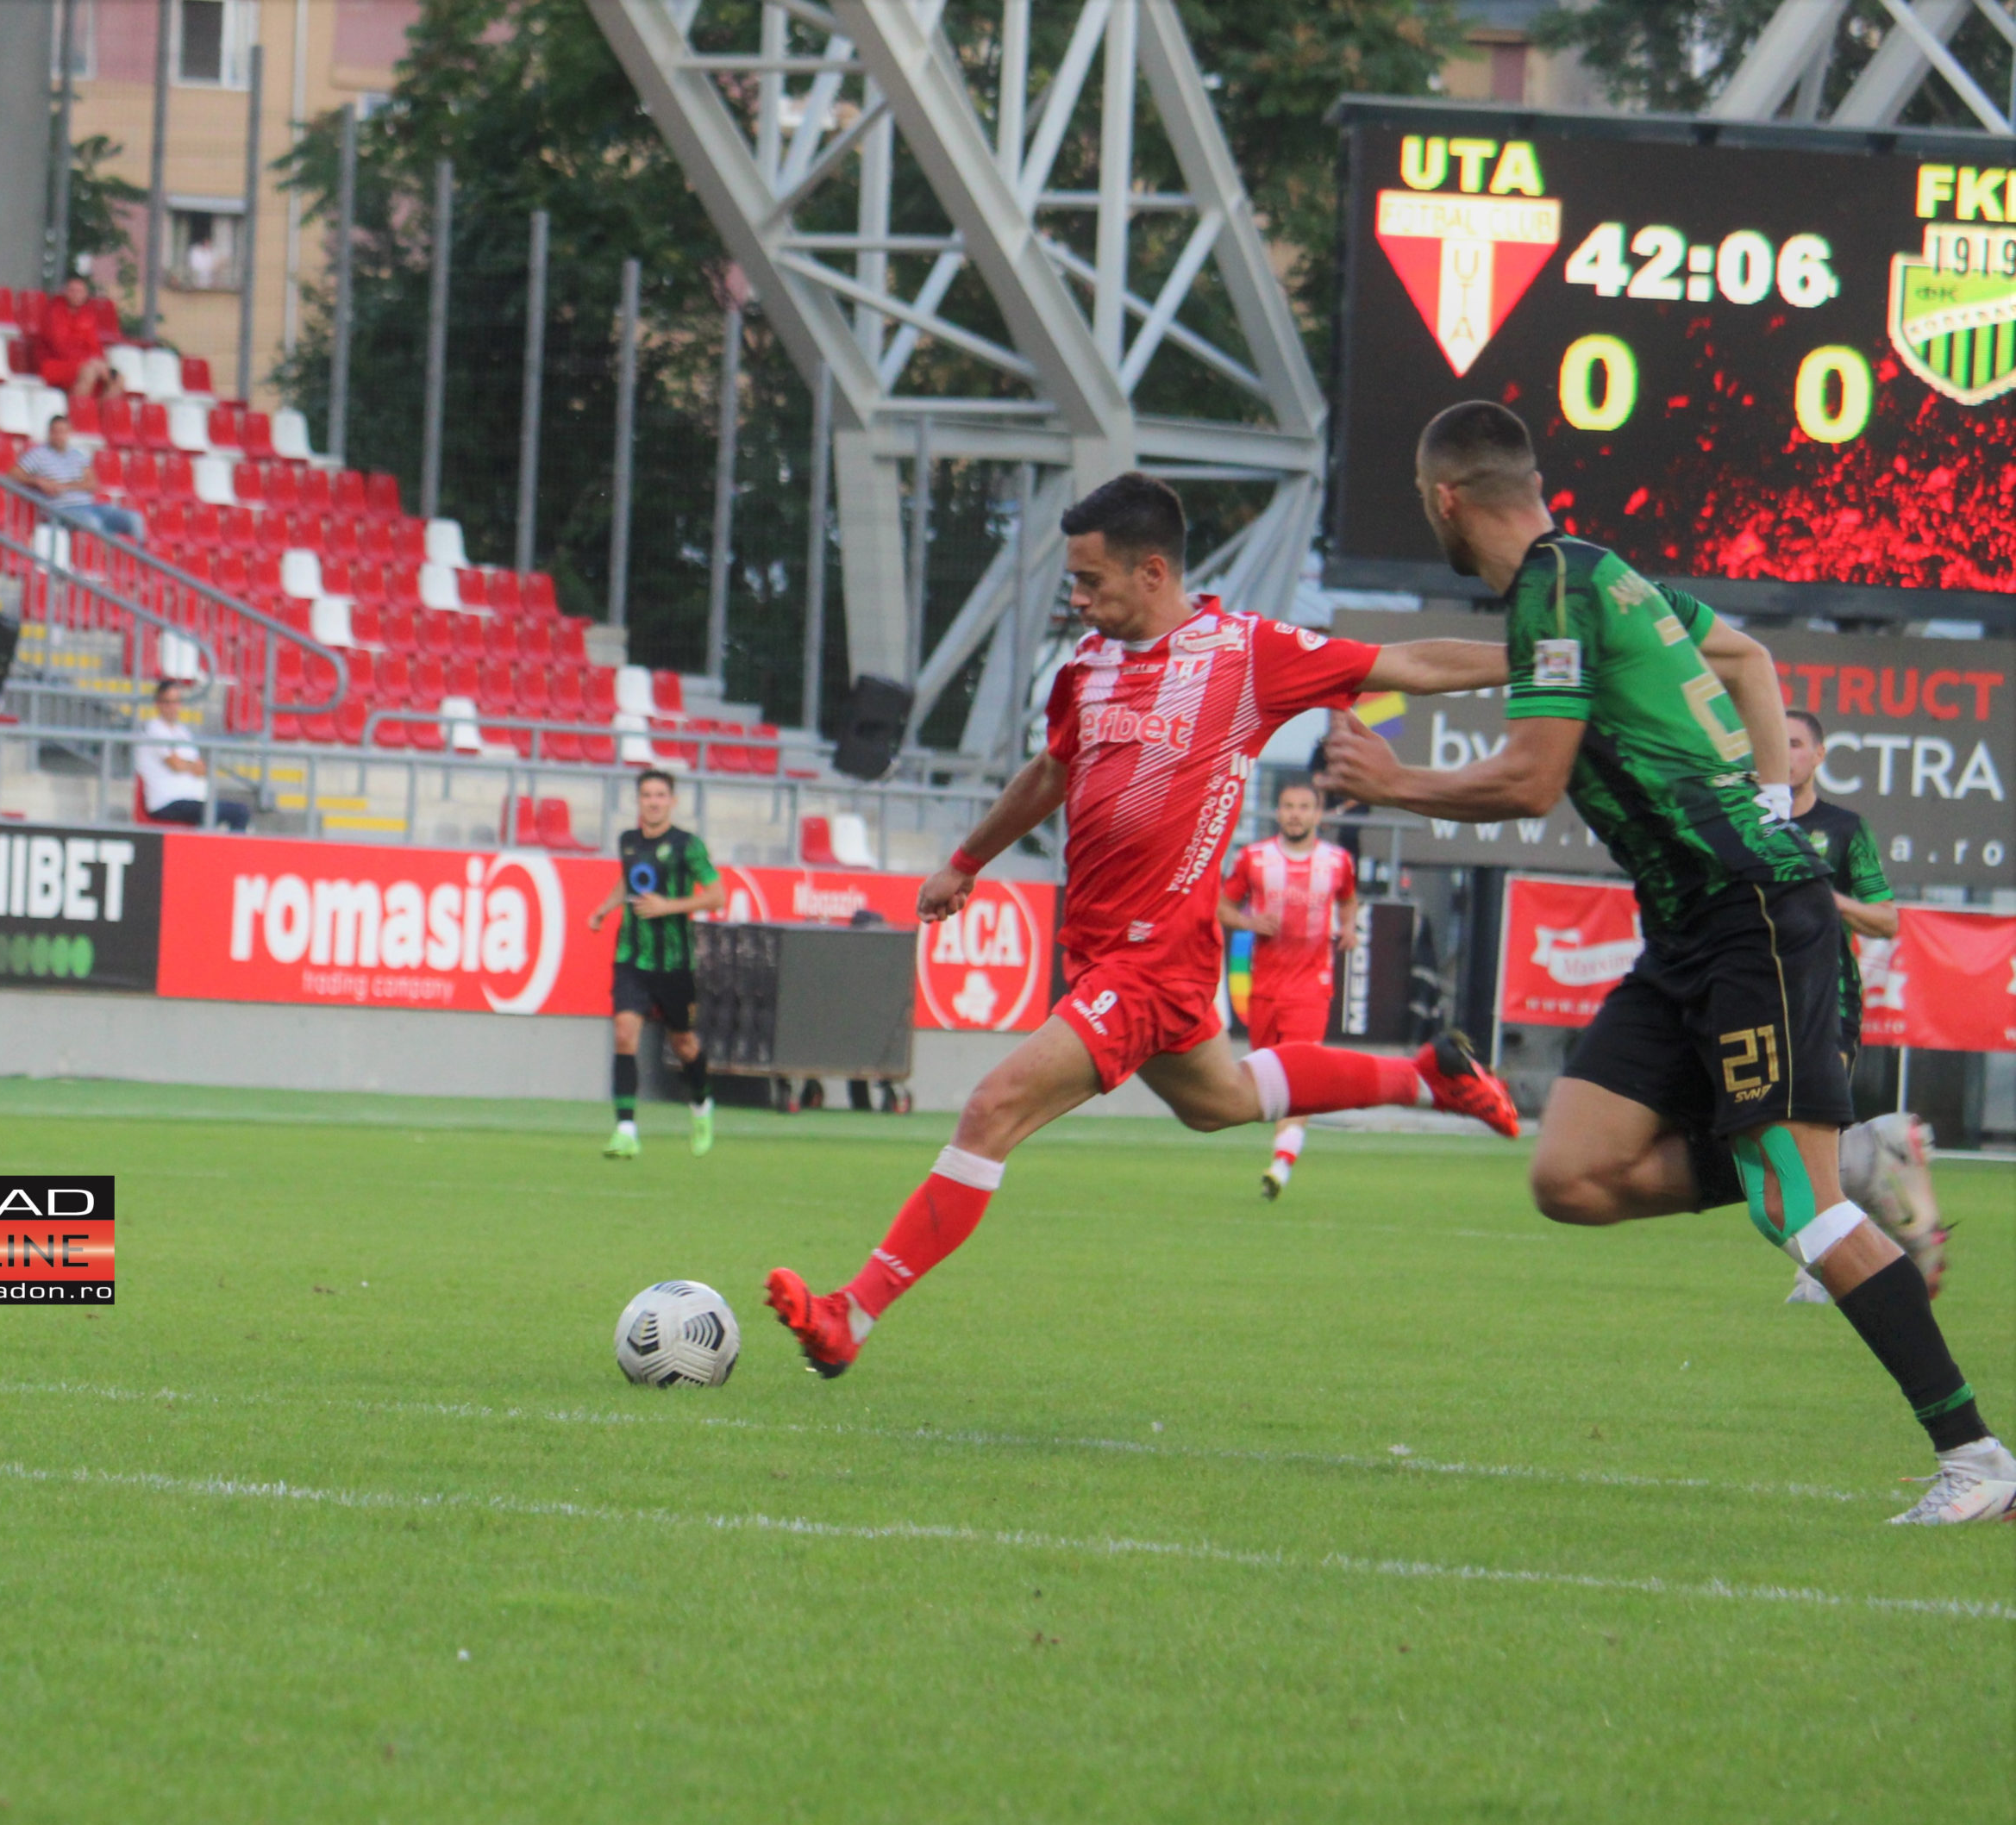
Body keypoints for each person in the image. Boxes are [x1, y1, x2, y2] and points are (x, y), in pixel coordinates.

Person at [1318, 400, 2011, 1524]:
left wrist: (1397, 784)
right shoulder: (1602, 573)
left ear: (1445, 498)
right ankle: (1846, 1157)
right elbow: (1745, 655)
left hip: (1745, 915)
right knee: (1572, 1175)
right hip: (1690, 925)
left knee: (1799, 1210)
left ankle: (1978, 1462)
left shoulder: (1552, 586)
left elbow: (1532, 780)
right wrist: (1767, 798)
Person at [761, 472, 1518, 1381]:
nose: (1078, 601)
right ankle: (1426, 1078)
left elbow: (1410, 666)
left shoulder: (1247, 655)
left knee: (991, 1108)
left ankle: (851, 1313)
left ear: (1152, 571)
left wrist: (1546, 658)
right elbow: (1052, 773)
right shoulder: (1086, 667)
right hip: (1101, 955)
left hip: (1154, 960)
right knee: (1219, 1101)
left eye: (1091, 582)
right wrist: (966, 859)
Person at [1780, 706, 1947, 1304]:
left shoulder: (1843, 829)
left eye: (1795, 743)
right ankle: (1880, 1144)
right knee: (1765, 1144)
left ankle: (1821, 1268)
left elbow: (1886, 919)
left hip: (1824, 1002)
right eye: (1774, 743)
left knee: (1808, 1141)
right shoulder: (1743, 825)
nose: (1784, 753)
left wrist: (1825, 898)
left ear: (1819, 755)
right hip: (1753, 1003)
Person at [1218, 779, 1359, 1198]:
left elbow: (1348, 899)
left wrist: (1349, 927)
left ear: (1318, 814)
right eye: (1288, 806)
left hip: (1312, 987)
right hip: (1264, 987)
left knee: (1300, 1077)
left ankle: (1282, 1163)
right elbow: (1221, 906)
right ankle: (1283, 1145)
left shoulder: (1336, 862)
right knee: (1268, 1084)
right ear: (1278, 812)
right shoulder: (1255, 859)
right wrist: (1249, 922)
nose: (1296, 814)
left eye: (1303, 807)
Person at [585, 768, 724, 1159]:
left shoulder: (687, 845)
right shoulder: (628, 841)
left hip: (674, 963)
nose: (653, 802)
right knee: (624, 1033)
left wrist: (669, 906)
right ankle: (626, 1131)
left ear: (672, 801)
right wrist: (604, 908)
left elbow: (717, 895)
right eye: (647, 795)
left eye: (661, 795)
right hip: (631, 957)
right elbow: (627, 881)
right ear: (638, 800)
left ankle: (702, 1103)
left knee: (684, 1044)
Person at [135, 678, 248, 830]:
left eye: (176, 702)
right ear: (158, 703)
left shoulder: (182, 731)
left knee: (238, 811)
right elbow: (175, 764)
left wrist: (185, 764)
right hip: (167, 802)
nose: (172, 707)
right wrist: (189, 765)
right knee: (237, 813)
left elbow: (201, 769)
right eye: (167, 702)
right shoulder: (153, 729)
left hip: (191, 801)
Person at [12, 416, 144, 542]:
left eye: (63, 431)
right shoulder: (38, 454)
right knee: (92, 522)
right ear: (50, 433)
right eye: (55, 431)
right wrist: (38, 481)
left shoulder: (77, 456)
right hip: (60, 509)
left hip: (89, 506)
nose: (59, 436)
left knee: (134, 519)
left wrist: (65, 486)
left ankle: (139, 555)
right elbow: (14, 474)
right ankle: (104, 552)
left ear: (69, 433)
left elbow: (92, 484)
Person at [34, 272, 116, 402]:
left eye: (80, 291)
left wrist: (100, 364)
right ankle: (78, 411)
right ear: (65, 291)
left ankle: (99, 412)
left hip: (83, 365)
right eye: (72, 291)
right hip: (54, 365)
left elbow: (95, 346)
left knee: (117, 378)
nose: (76, 295)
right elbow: (60, 348)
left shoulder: (88, 315)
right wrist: (90, 363)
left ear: (86, 294)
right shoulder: (53, 312)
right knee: (89, 372)